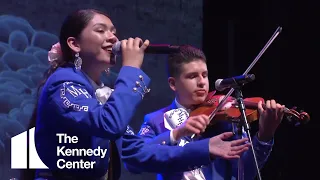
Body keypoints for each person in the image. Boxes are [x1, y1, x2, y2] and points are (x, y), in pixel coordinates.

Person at [21, 9, 252, 180]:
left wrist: (205, 148)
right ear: (74, 44)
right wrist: (131, 68)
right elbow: (109, 124)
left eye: (114, 32)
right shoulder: (63, 83)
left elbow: (136, 152)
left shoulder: (101, 92)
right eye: (101, 31)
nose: (113, 38)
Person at [135, 45, 285, 180]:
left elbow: (245, 173)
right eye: (192, 76)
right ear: (173, 84)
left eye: (204, 75)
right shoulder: (156, 120)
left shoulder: (225, 121)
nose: (202, 82)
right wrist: (177, 133)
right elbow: (136, 158)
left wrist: (264, 135)